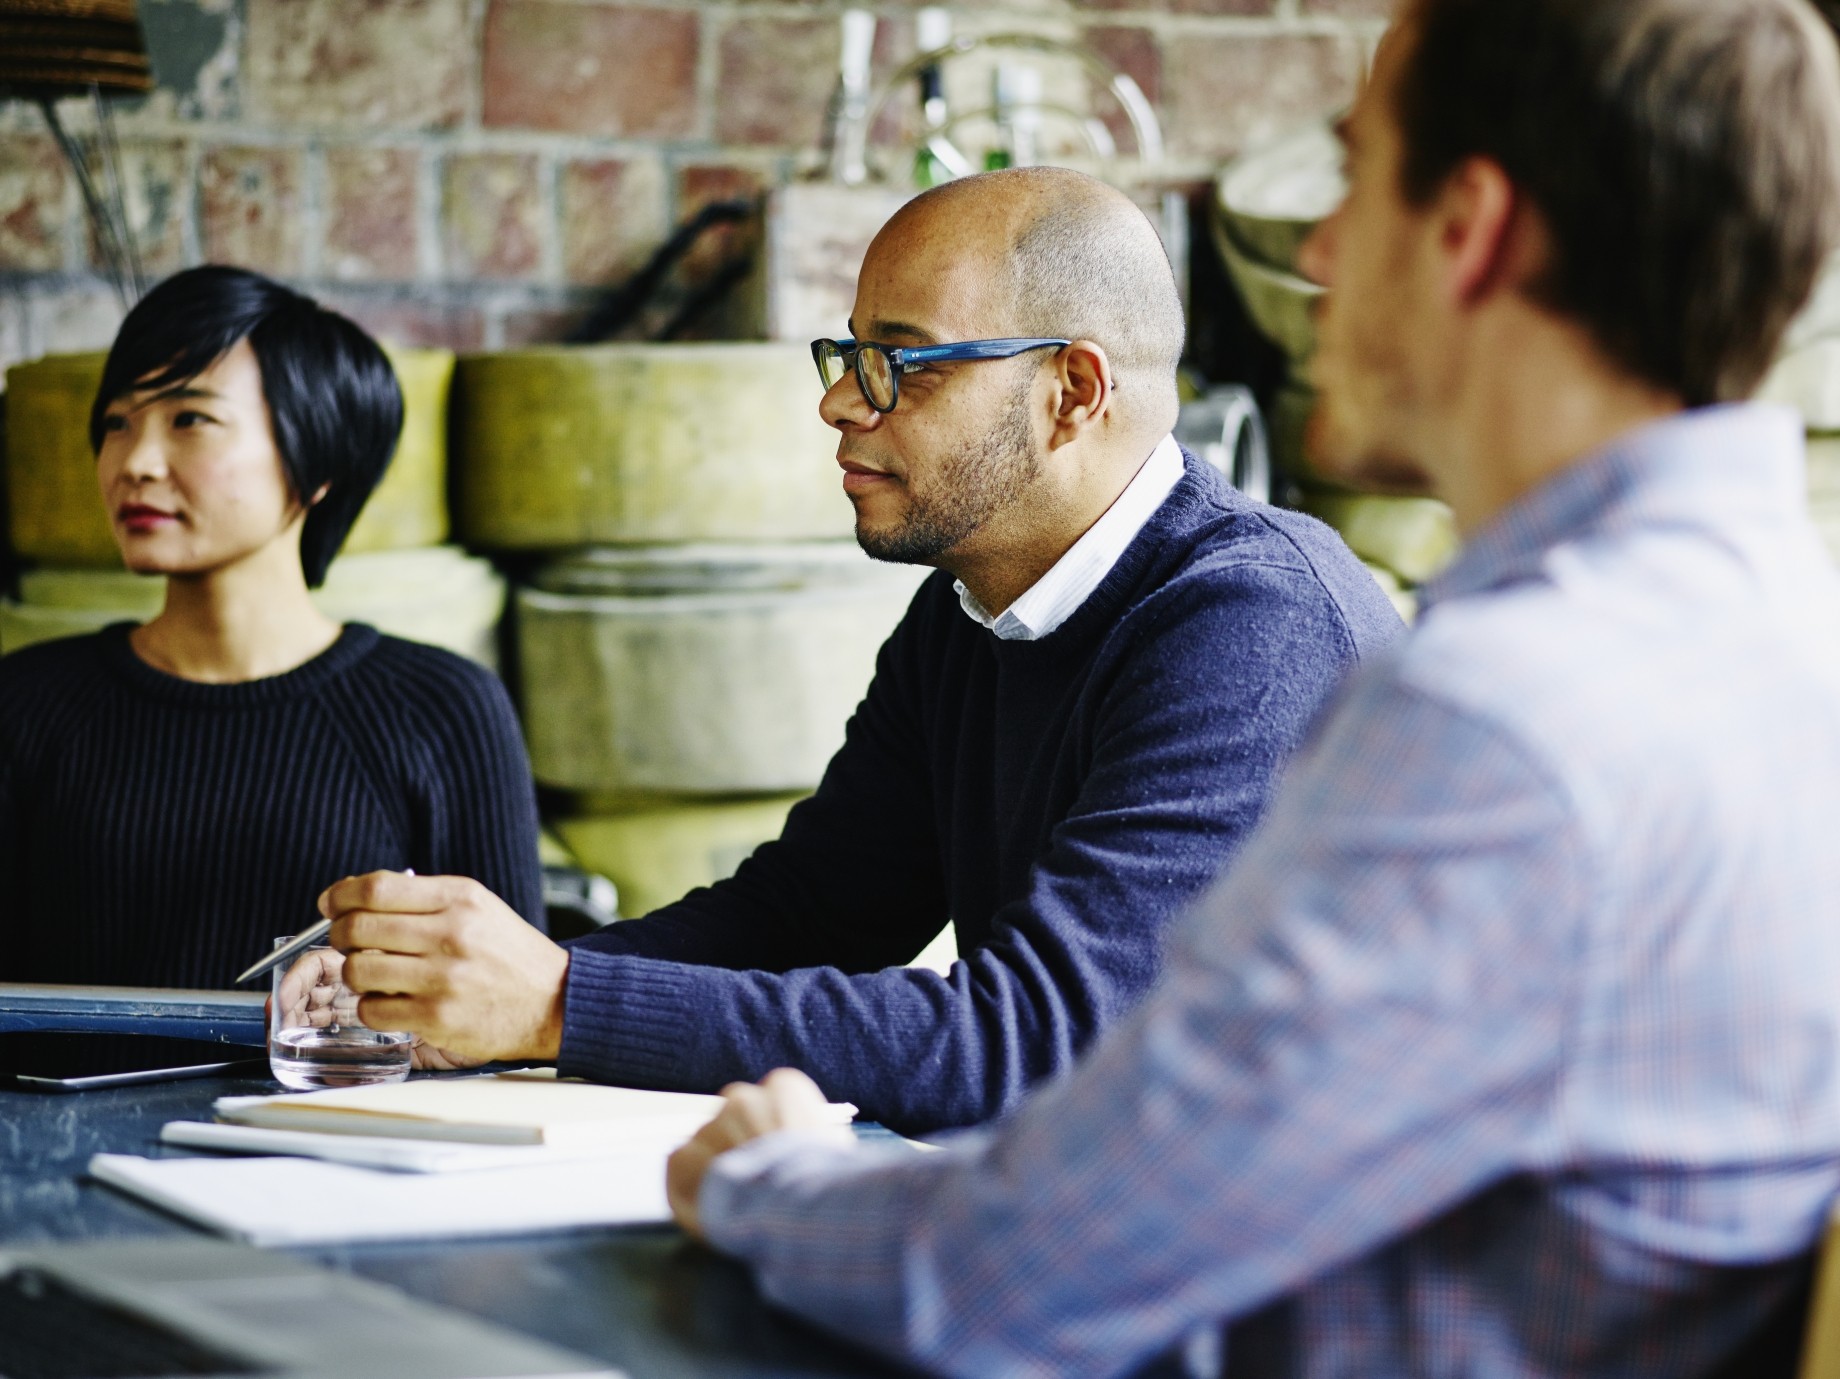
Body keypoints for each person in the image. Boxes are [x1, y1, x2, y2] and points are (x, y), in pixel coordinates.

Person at [660, 0, 1840, 1374]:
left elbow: (1019, 1270)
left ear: (1468, 227)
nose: (1325, 251)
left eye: (1355, 177)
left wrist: (776, 1177)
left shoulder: (1505, 718)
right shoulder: (1772, 633)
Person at [322, 168, 1403, 1133]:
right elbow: (809, 912)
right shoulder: (968, 607)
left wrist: (559, 1003)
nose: (841, 401)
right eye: (848, 353)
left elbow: (1038, 1040)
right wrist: (459, 990)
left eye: (902, 362)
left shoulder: (1252, 627)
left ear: (1072, 391)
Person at [0, 266, 544, 990]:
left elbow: (501, 1017)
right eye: (116, 424)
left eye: (189, 418)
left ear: (313, 459)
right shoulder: (26, 705)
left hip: (329, 1108)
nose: (135, 462)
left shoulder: (445, 709)